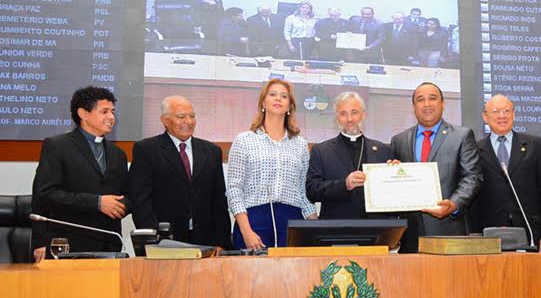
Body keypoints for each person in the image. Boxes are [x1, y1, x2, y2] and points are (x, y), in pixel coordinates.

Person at [31, 86, 130, 261]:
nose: (111, 117)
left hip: (109, 246)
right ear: (83, 114)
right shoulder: (57, 146)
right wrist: (97, 202)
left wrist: (125, 205)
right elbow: (44, 195)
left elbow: (125, 195)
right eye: (104, 112)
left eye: (113, 112)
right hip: (67, 244)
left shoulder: (118, 154)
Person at [128, 96, 231, 249]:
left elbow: (219, 203)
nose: (188, 122)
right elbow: (140, 201)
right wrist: (154, 240)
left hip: (206, 241)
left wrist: (221, 242)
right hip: (165, 241)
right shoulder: (147, 150)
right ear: (165, 120)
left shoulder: (211, 151)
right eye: (181, 117)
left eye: (192, 116)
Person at [390, 82, 482, 253]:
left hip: (449, 232)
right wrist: (390, 173)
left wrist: (454, 204)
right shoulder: (399, 140)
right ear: (414, 106)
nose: (427, 104)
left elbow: (472, 177)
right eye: (420, 100)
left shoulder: (462, 136)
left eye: (432, 98)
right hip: (409, 234)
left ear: (442, 103)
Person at [226, 79, 317, 249]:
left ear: (289, 106)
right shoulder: (244, 140)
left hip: (291, 222)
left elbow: (303, 192)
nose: (278, 99)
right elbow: (234, 190)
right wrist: (246, 231)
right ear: (263, 102)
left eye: (284, 96)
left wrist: (317, 230)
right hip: (253, 221)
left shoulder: (301, 144)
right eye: (272, 94)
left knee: (291, 275)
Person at [471, 94, 541, 252]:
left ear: (514, 114)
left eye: (506, 111)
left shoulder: (534, 144)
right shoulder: (475, 149)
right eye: (496, 111)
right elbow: (472, 195)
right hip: (488, 231)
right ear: (485, 116)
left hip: (529, 230)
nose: (502, 116)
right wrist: (473, 232)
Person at [306, 91, 391, 218]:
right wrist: (343, 185)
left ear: (364, 114)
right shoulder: (321, 150)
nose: (349, 119)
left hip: (376, 229)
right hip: (337, 230)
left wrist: (394, 172)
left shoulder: (383, 150)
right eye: (343, 114)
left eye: (354, 112)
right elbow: (312, 191)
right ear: (337, 117)